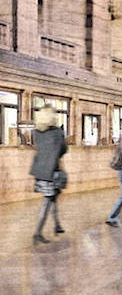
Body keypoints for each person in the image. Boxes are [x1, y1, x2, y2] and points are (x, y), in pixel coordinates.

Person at [29, 104, 67, 244]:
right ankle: (37, 233)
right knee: (47, 201)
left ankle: (57, 225)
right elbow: (63, 149)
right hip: (52, 171)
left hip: (40, 171)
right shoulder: (57, 132)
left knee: (53, 197)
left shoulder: (37, 132)